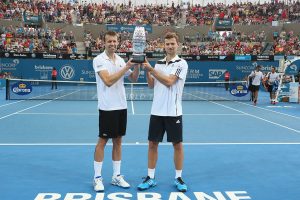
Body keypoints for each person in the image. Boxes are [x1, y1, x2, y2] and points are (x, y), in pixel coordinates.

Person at [138, 32, 188, 192]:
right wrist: (146, 70)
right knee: (152, 144)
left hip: (173, 112)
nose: (170, 46)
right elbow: (151, 85)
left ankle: (179, 178)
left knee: (177, 145)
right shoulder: (158, 63)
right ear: (164, 46)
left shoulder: (182, 63)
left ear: (177, 44)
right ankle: (150, 177)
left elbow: (169, 82)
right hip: (157, 111)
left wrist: (151, 69)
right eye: (167, 44)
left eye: (173, 43)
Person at [92, 31, 140, 192]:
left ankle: (116, 176)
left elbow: (133, 78)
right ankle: (97, 178)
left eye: (114, 41)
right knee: (102, 142)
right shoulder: (99, 60)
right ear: (104, 42)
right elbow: (108, 81)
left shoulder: (119, 60)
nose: (112, 44)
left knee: (118, 142)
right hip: (107, 108)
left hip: (121, 107)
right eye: (109, 41)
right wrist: (127, 66)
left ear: (117, 42)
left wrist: (138, 65)